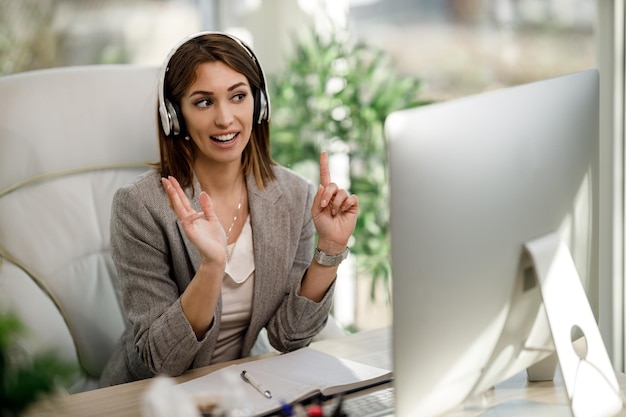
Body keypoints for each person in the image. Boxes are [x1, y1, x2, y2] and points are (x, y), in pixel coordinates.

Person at [99, 31, 359, 387]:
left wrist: (329, 250)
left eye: (238, 96)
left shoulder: (293, 195)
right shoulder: (140, 207)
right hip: (148, 397)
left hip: (240, 391)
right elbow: (160, 360)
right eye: (204, 102)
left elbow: (290, 336)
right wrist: (211, 269)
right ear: (175, 117)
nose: (225, 118)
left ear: (259, 104)